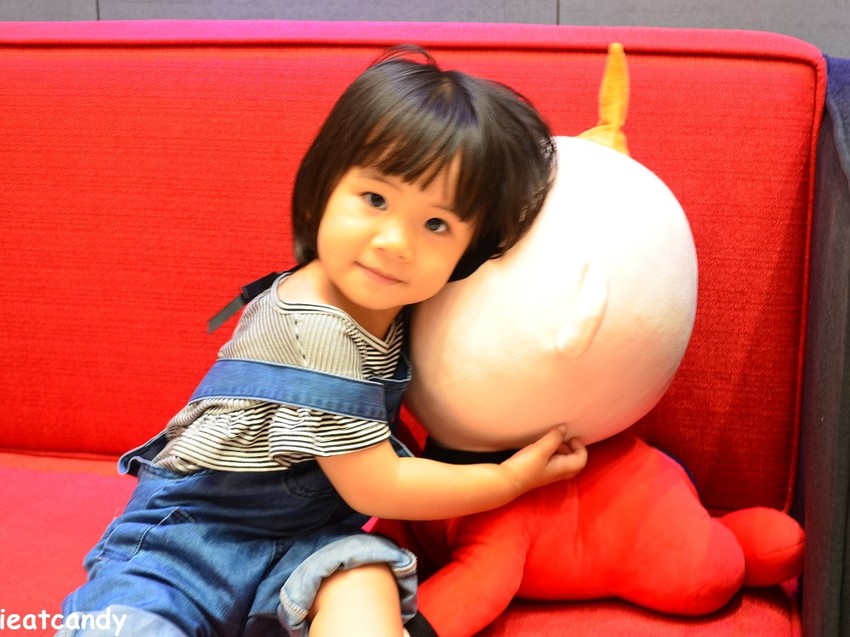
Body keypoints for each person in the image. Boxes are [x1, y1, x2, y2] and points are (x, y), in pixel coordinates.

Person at [58, 46, 588, 637]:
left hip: (303, 545)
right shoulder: (313, 326)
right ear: (321, 190)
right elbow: (377, 485)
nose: (395, 242)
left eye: (436, 224)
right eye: (376, 199)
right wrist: (509, 481)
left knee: (363, 578)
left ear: (470, 249)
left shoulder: (398, 298)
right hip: (183, 549)